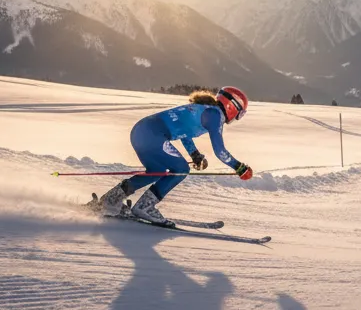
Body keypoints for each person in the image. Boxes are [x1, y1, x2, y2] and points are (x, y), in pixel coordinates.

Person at [94, 87, 254, 224]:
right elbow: (220, 151)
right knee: (181, 169)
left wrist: (195, 154)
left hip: (141, 131)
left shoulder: (204, 108)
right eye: (240, 114)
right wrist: (239, 168)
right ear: (232, 106)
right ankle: (145, 207)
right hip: (153, 135)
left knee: (156, 171)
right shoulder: (215, 115)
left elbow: (184, 132)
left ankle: (111, 199)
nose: (237, 118)